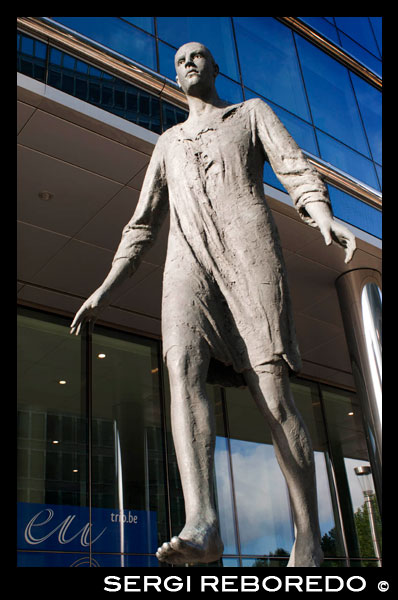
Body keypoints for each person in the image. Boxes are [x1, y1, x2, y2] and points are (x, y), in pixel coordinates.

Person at [70, 42, 356, 567]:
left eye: (197, 56)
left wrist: (321, 213)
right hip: (187, 260)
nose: (188, 65)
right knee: (180, 367)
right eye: (179, 61)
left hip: (249, 252)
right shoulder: (167, 142)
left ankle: (308, 539)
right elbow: (142, 223)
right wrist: (105, 287)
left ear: (215, 66)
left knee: (273, 394)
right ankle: (203, 521)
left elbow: (293, 167)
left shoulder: (249, 114)